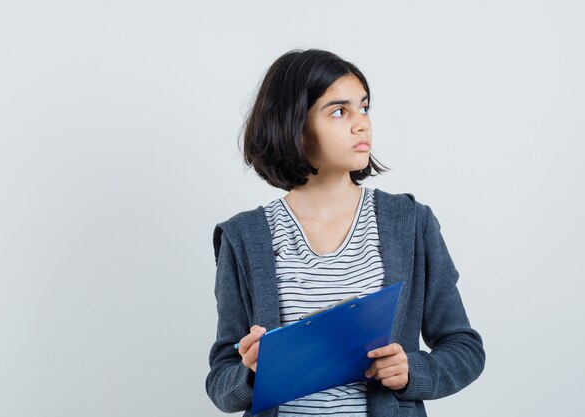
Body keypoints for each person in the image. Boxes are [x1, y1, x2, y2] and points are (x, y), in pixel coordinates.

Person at [205, 49, 485, 417]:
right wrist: (252, 372)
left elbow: (464, 347)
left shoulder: (411, 222)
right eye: (339, 111)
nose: (361, 124)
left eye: (364, 108)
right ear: (294, 125)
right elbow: (220, 383)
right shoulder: (244, 237)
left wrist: (410, 371)